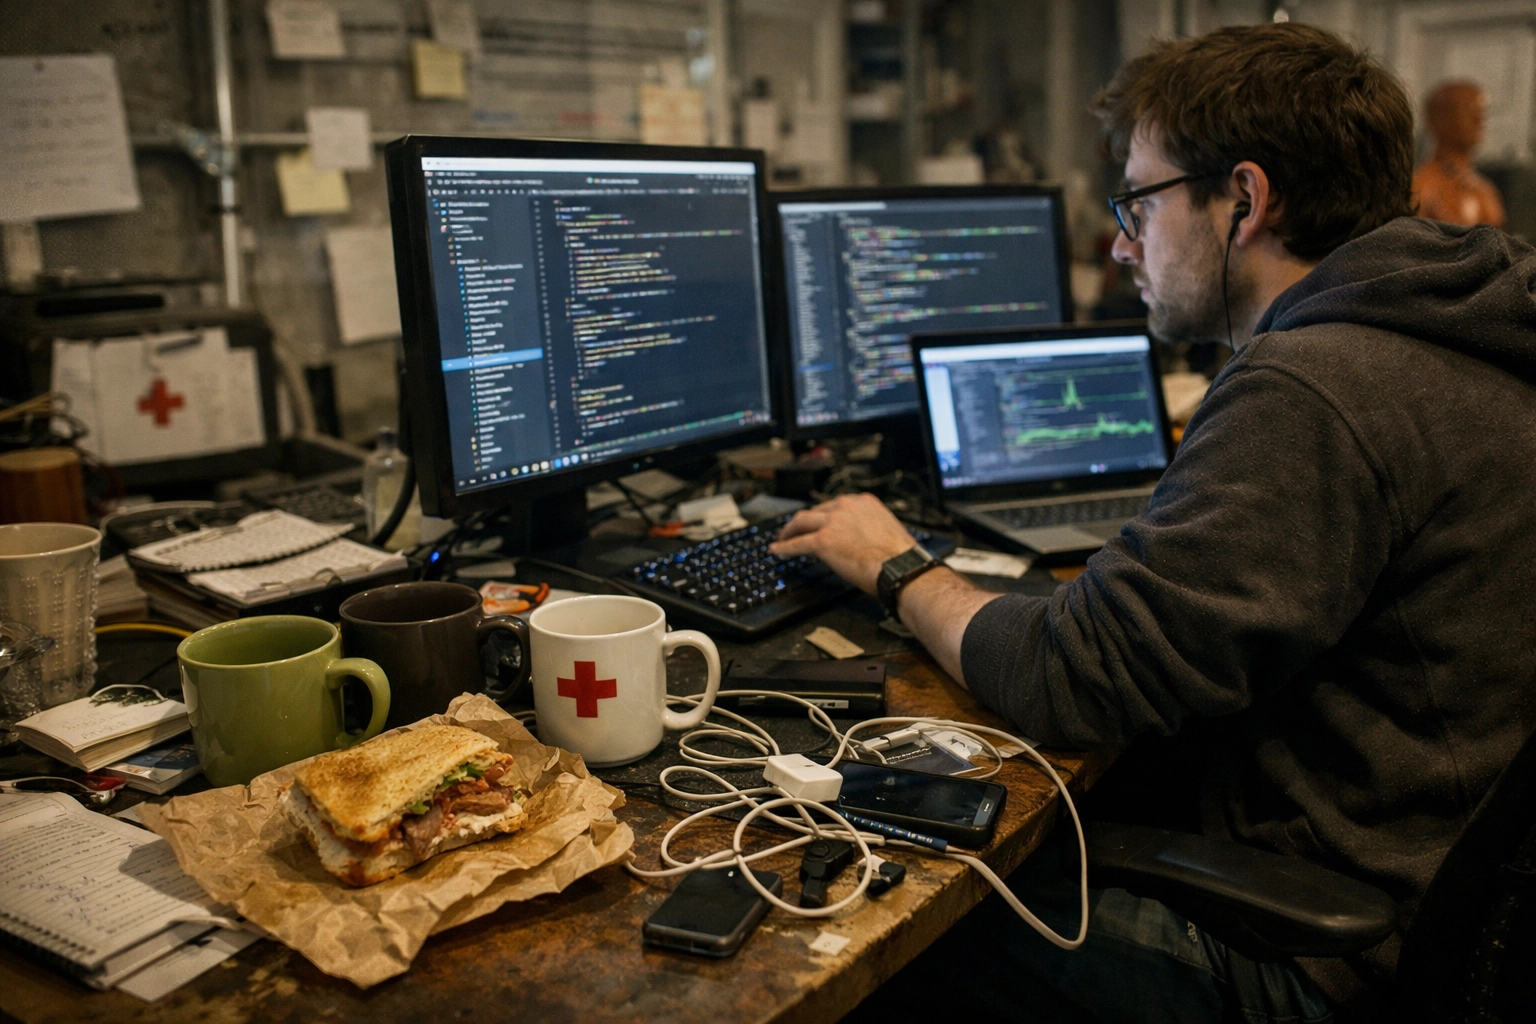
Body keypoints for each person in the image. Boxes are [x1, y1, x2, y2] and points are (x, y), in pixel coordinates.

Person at [774, 22, 1536, 1023]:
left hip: (1320, 958)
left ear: (1246, 200)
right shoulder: (1457, 322)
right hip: (1426, 887)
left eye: (1139, 201)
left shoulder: (1317, 387)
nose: (1122, 242)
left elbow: (1071, 676)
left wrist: (898, 565)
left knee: (873, 917)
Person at [1413, 80, 1507, 228]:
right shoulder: (1421, 187)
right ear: (1437, 119)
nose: (1479, 120)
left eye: (1481, 112)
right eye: (1467, 111)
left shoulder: (1485, 190)